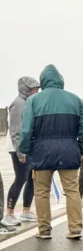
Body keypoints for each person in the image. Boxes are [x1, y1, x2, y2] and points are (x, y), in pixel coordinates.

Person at [18, 64, 83, 240]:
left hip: (42, 152)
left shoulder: (33, 101)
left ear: (43, 81)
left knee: (41, 191)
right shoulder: (75, 100)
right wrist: (82, 149)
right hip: (69, 151)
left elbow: (26, 129)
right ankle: (75, 228)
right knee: (72, 190)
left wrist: (24, 150)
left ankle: (44, 229)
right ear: (60, 81)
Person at [4, 76, 39, 231]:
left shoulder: (29, 102)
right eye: (34, 89)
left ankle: (26, 210)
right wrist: (20, 152)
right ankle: (9, 214)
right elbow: (15, 131)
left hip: (27, 147)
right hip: (18, 148)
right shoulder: (18, 104)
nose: (37, 91)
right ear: (26, 89)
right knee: (21, 179)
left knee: (32, 178)